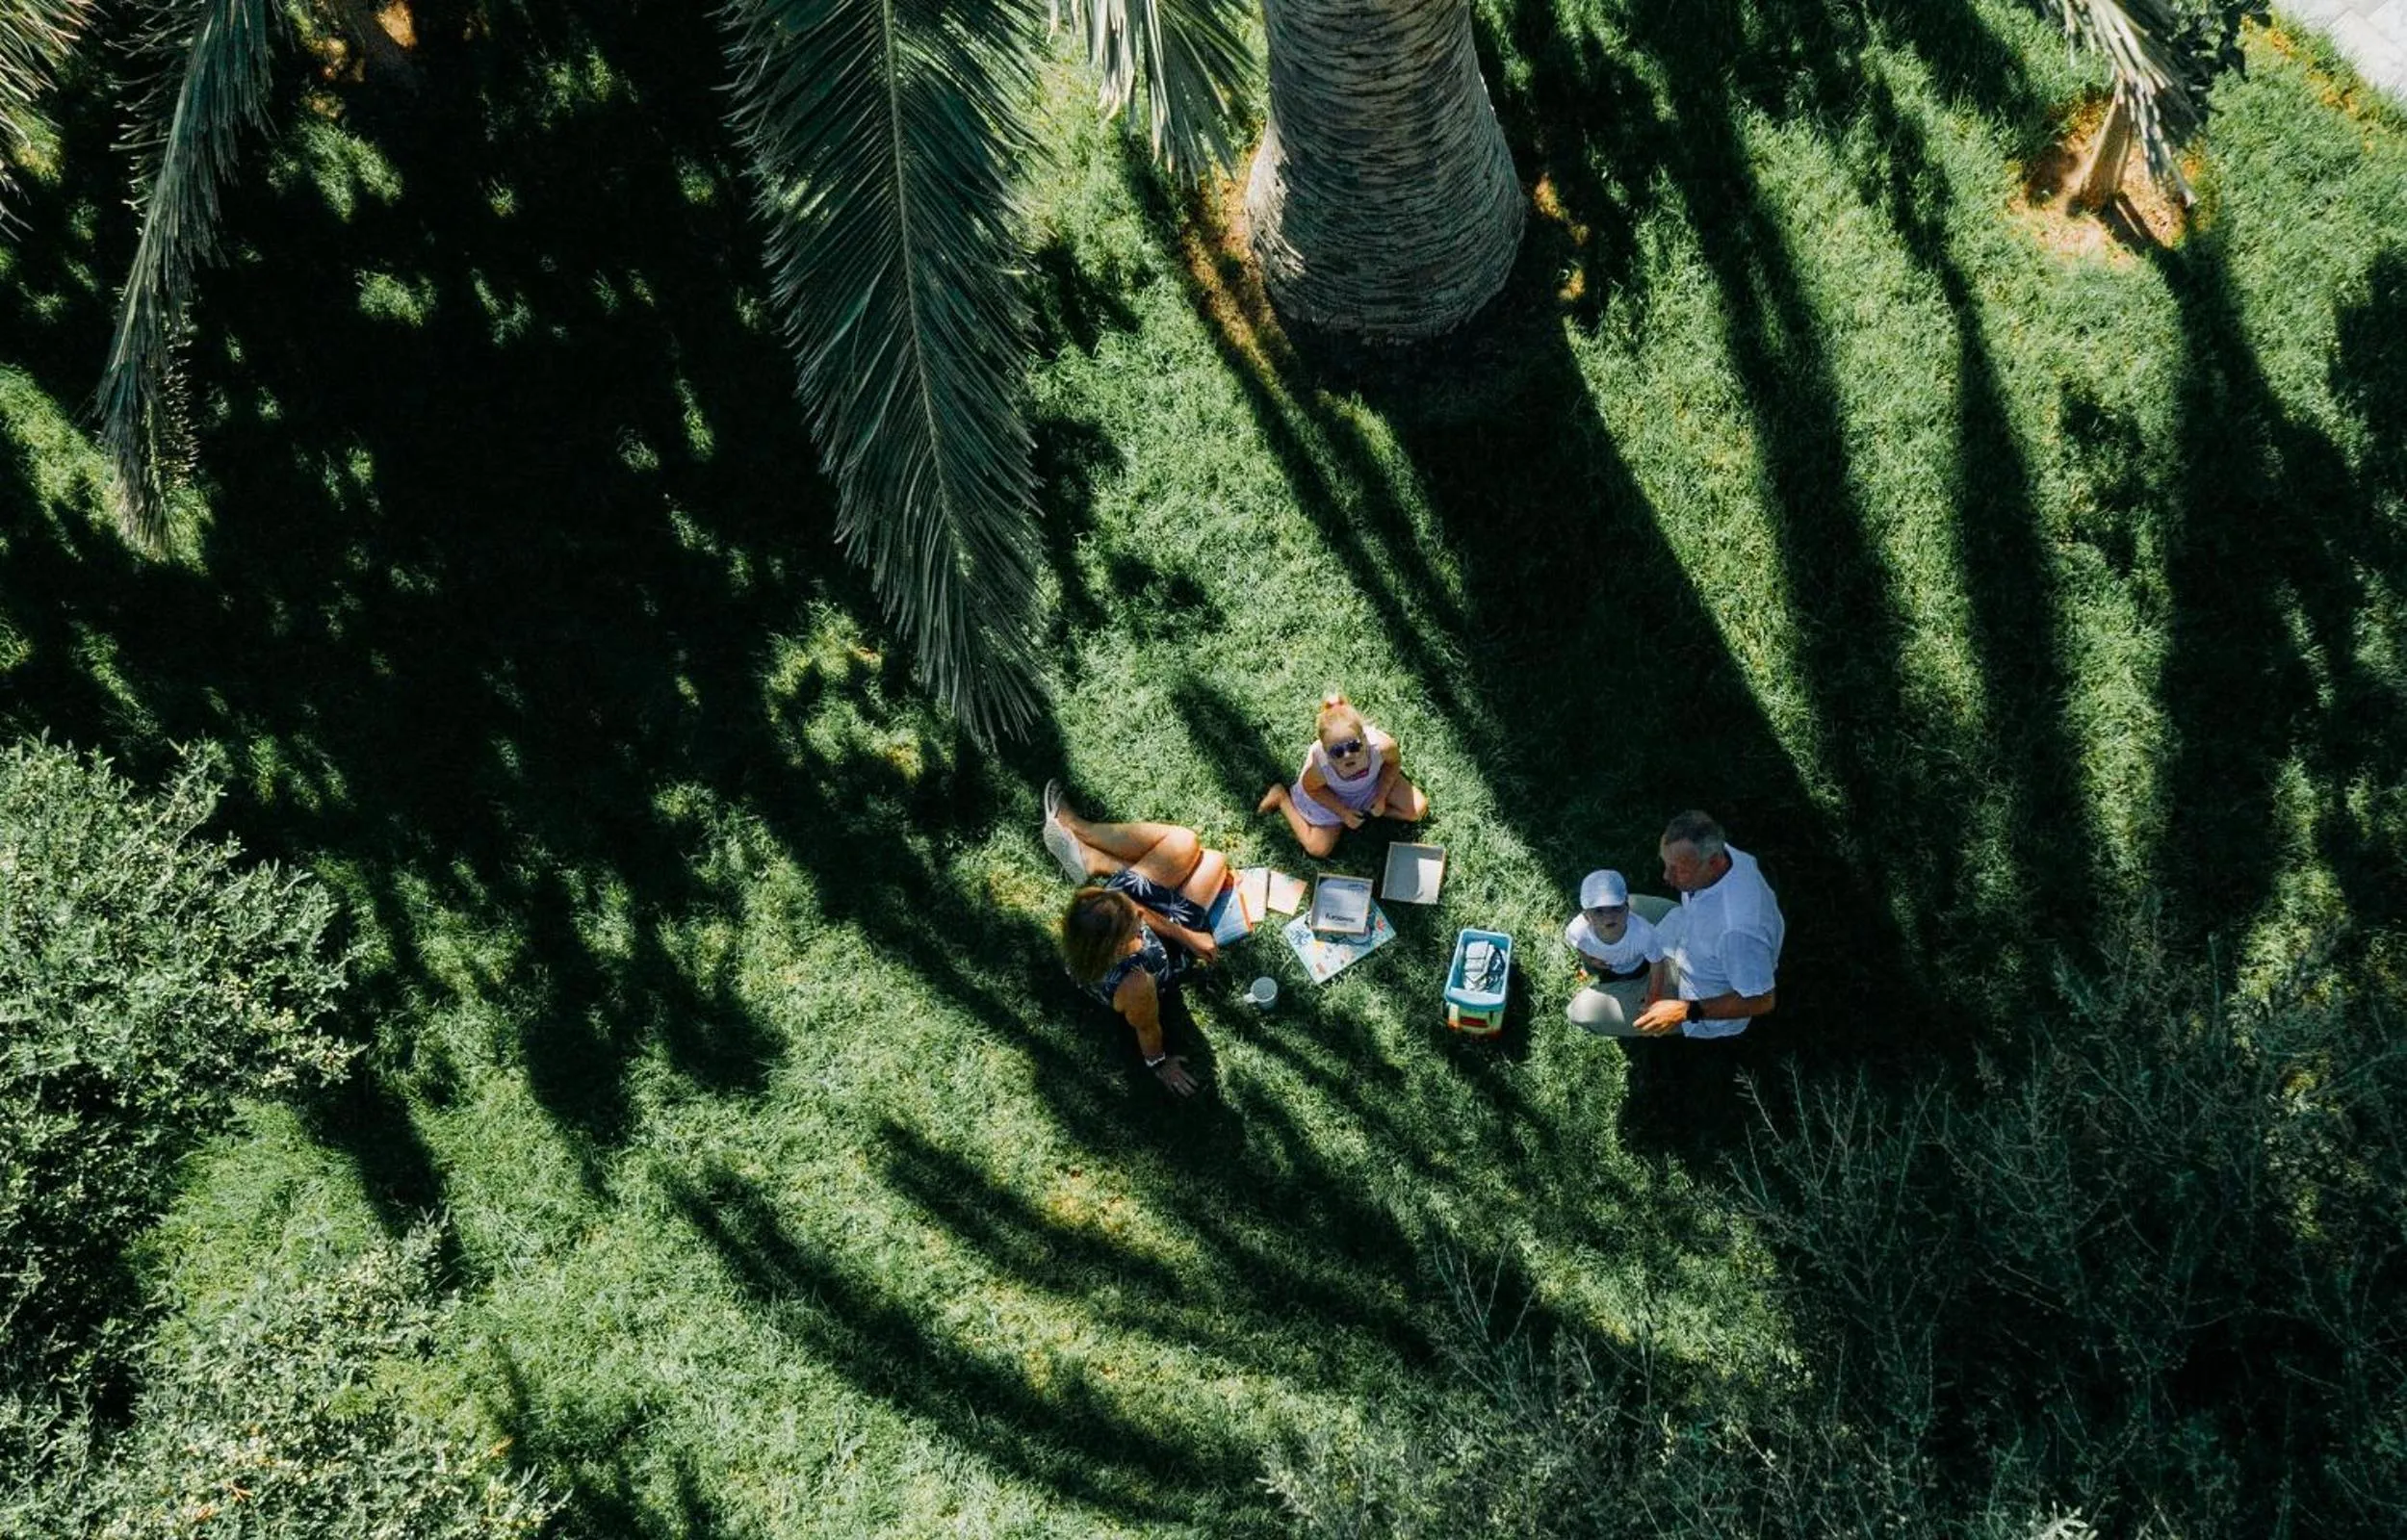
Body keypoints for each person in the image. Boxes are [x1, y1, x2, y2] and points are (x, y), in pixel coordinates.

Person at [1045, 782, 1228, 1096]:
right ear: (1120, 946)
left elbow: (1135, 908)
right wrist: (1158, 1063)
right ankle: (1092, 855)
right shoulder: (1136, 984)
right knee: (1214, 861)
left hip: (1131, 917)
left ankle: (1085, 842)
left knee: (1185, 841)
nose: (1140, 917)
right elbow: (1147, 1028)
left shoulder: (1091, 920)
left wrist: (1182, 932)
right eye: (1134, 925)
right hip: (1166, 953)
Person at [1624, 809, 1783, 1040]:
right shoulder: (1723, 854)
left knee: (1581, 1011)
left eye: (1679, 870)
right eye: (1666, 864)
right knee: (1615, 907)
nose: (1666, 877)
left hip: (1696, 992)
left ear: (1715, 864)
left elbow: (1763, 1000)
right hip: (1684, 928)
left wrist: (1685, 1010)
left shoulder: (1737, 933)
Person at [1255, 691, 1430, 858]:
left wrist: (1381, 797)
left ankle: (1367, 811)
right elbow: (1313, 790)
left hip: (1371, 785)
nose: (1347, 756)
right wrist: (1342, 812)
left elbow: (1393, 764)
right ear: (1325, 751)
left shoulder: (1381, 747)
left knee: (1418, 809)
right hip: (1334, 797)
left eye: (1354, 747)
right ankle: (1281, 798)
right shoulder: (1321, 768)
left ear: (1365, 738)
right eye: (1337, 752)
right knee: (1317, 848)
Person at [1562, 868, 1672, 1034]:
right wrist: (1590, 959)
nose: (1609, 917)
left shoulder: (1643, 934)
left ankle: (1627, 985)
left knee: (1632, 979)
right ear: (1586, 915)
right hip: (1607, 966)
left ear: (1627, 907)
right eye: (1598, 911)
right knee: (1606, 975)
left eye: (1615, 908)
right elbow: (1576, 943)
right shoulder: (1578, 930)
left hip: (1637, 966)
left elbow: (1657, 963)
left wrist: (1653, 997)